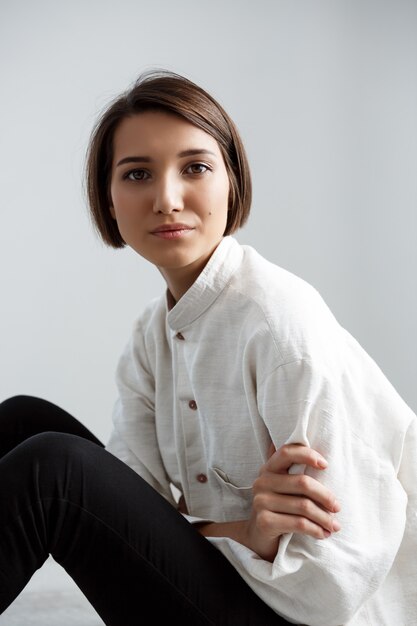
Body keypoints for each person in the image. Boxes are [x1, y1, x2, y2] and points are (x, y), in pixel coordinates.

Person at [0, 70, 416, 626]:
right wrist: (244, 532)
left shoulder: (279, 328)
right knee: (23, 421)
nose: (167, 199)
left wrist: (240, 537)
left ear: (231, 182)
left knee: (53, 470)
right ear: (110, 199)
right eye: (138, 173)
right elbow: (140, 506)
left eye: (195, 167)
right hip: (245, 588)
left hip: (311, 617)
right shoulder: (152, 335)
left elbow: (330, 587)